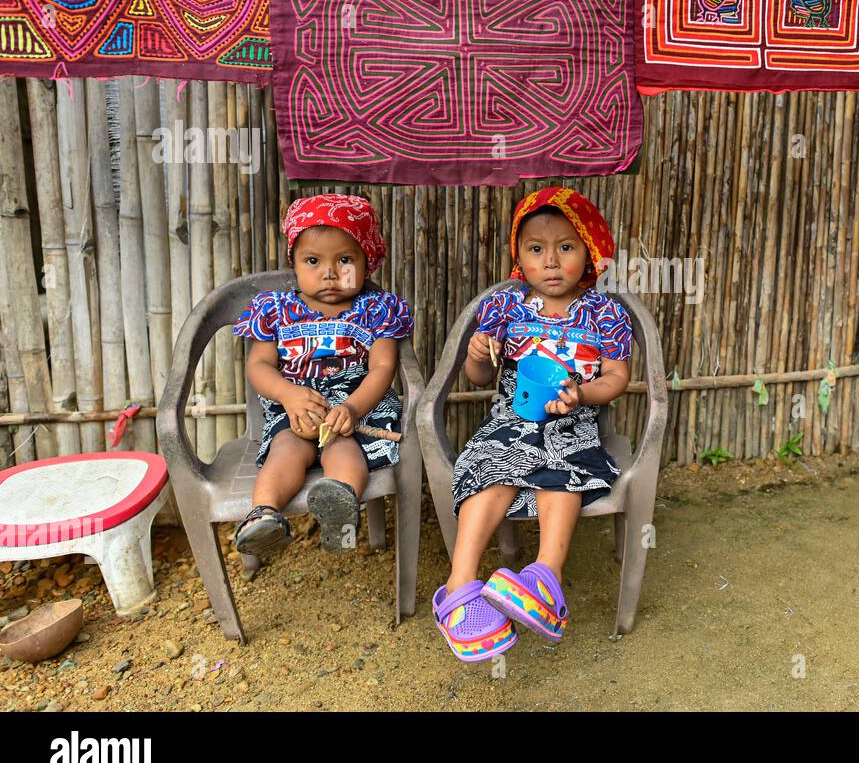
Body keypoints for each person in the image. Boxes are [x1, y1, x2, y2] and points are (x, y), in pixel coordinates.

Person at [433, 187, 632, 662]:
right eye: (536, 249)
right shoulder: (505, 309)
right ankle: (460, 588)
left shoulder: (606, 314)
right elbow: (481, 377)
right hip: (510, 418)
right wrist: (478, 356)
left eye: (566, 247)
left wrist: (583, 393)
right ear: (519, 255)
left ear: (589, 251)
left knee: (563, 467)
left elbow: (618, 378)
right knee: (491, 466)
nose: (551, 261)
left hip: (572, 420)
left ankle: (545, 578)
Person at [231, 194, 413, 557]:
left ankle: (341, 508)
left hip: (353, 411)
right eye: (313, 260)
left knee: (344, 451)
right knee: (285, 451)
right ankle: (263, 514)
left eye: (345, 260)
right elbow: (259, 366)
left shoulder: (375, 310)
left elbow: (382, 367)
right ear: (294, 263)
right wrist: (288, 395)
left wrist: (353, 408)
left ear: (367, 262)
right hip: (296, 409)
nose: (330, 273)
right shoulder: (276, 310)